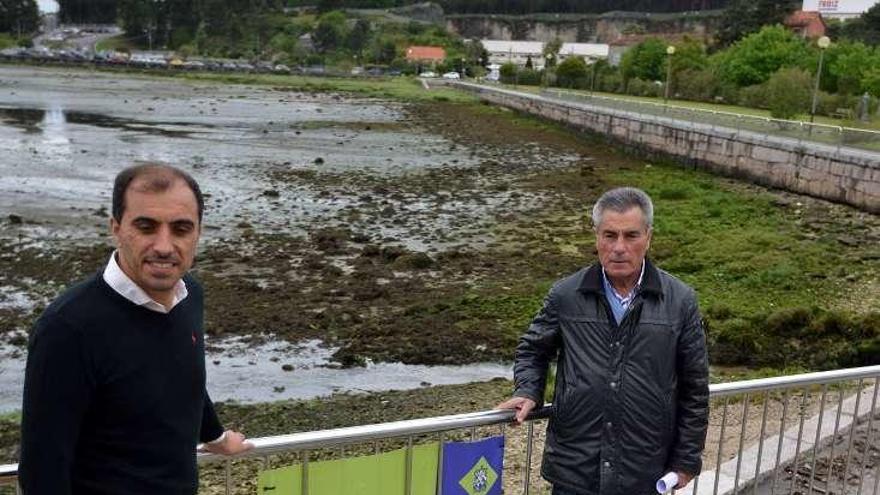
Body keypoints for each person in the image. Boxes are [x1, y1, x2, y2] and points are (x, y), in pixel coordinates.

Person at [19, 163, 253, 494]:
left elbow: (185, 377)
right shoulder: (68, 328)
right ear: (116, 228)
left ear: (198, 232)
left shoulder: (190, 295)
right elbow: (43, 467)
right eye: (146, 227)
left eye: (181, 229)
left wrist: (216, 437)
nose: (163, 245)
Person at [498, 187, 709, 495]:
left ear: (648, 237)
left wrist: (687, 460)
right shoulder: (565, 295)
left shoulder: (680, 301)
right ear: (596, 237)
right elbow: (533, 349)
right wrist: (529, 389)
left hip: (645, 470)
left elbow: (695, 388)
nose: (619, 247)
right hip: (575, 469)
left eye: (631, 236)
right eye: (610, 236)